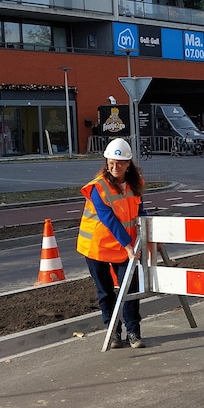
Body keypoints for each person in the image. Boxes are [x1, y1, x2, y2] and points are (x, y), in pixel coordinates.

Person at [77, 137, 147, 349]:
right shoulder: (98, 186)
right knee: (106, 291)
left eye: (119, 163)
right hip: (97, 246)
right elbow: (108, 218)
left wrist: (150, 238)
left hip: (125, 247)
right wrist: (128, 246)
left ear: (128, 164)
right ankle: (113, 332)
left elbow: (140, 212)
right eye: (111, 163)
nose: (115, 167)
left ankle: (133, 332)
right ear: (106, 162)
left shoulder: (136, 184)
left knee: (130, 291)